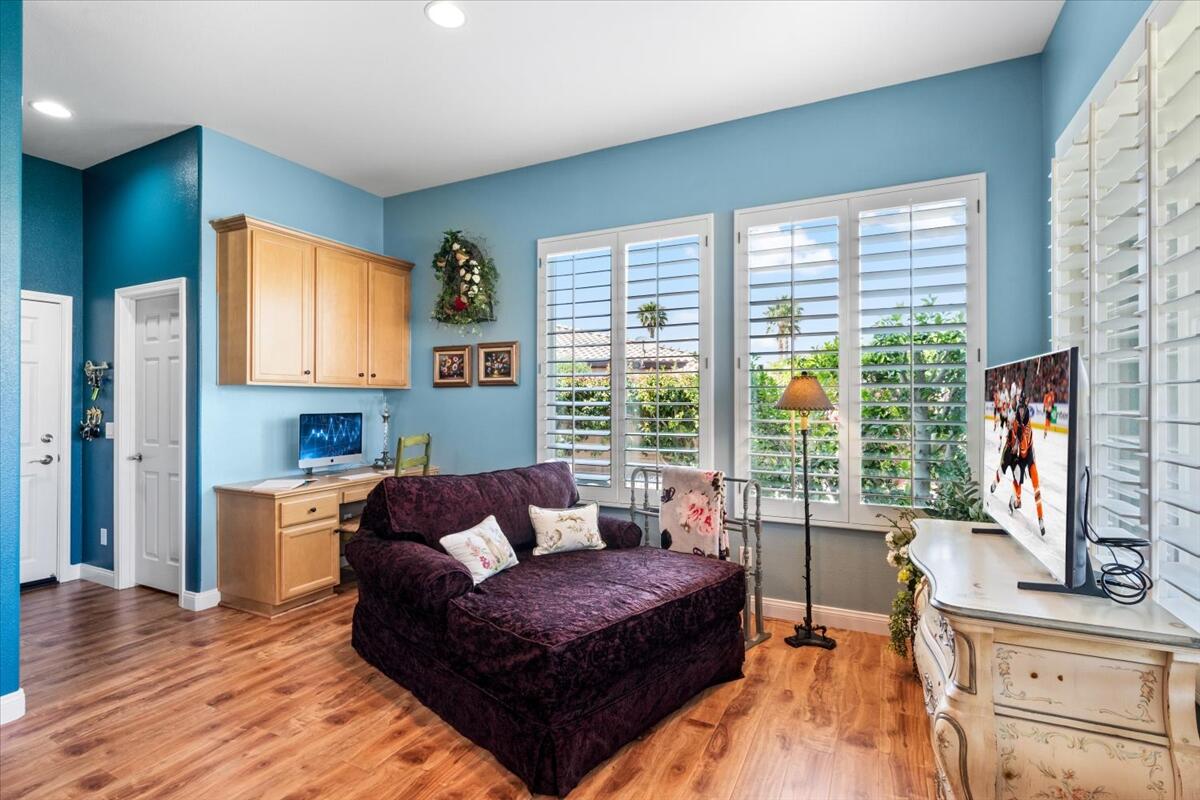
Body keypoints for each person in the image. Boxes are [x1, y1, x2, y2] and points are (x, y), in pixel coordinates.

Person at [990, 392, 1046, 536]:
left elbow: (1023, 450)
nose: (1021, 412)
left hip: (1028, 457)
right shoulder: (1014, 418)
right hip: (1015, 454)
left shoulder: (1027, 427)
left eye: (1023, 409)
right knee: (1014, 476)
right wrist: (1011, 430)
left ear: (1026, 410)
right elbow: (1009, 424)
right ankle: (1015, 499)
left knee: (1036, 487)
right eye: (1019, 409)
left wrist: (1020, 439)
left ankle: (1041, 518)